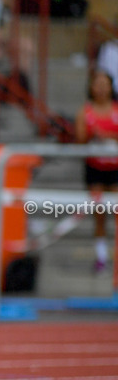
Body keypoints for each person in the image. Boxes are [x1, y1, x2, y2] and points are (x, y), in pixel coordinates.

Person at [75, 71, 118, 273]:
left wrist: (109, 136)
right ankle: (101, 257)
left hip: (116, 169)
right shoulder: (86, 112)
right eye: (97, 84)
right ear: (91, 88)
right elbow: (80, 139)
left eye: (104, 84)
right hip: (95, 169)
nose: (101, 88)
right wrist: (93, 135)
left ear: (110, 87)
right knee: (99, 214)